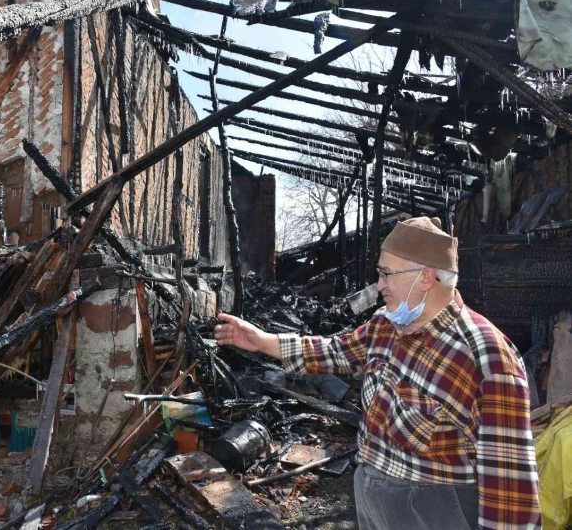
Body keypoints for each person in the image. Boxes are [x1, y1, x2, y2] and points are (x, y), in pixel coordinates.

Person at [215, 216, 541, 530]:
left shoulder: (487, 360)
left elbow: (511, 493)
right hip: (372, 498)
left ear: (426, 278)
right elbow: (333, 351)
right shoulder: (387, 324)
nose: (379, 285)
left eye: (387, 274)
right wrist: (262, 341)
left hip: (432, 512)